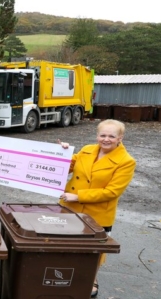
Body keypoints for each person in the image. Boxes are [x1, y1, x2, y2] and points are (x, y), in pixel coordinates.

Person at [59, 119, 136, 298]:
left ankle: (91, 279)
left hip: (98, 213)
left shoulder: (126, 161)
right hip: (70, 208)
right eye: (102, 135)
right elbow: (67, 167)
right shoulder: (86, 150)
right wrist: (62, 153)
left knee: (94, 250)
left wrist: (79, 196)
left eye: (111, 136)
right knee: (65, 243)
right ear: (97, 135)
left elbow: (112, 192)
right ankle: (64, 274)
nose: (106, 139)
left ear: (120, 138)